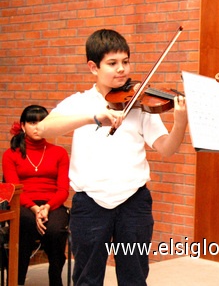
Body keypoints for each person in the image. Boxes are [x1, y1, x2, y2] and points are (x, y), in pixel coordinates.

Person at [35, 29, 188, 285]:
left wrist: (180, 122)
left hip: (134, 203)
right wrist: (94, 116)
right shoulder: (80, 102)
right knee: (87, 278)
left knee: (134, 278)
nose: (122, 69)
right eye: (113, 63)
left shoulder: (139, 104)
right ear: (93, 67)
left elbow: (167, 148)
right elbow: (44, 128)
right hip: (90, 204)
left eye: (126, 62)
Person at [2, 105, 70, 286]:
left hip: (52, 203)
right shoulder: (10, 155)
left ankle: (55, 280)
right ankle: (17, 281)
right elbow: (14, 189)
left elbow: (63, 189)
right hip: (22, 203)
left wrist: (46, 207)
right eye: (32, 122)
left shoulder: (59, 152)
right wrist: (34, 208)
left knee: (56, 230)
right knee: (24, 223)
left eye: (42, 122)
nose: (37, 126)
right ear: (23, 126)